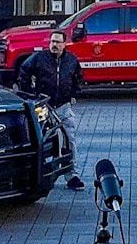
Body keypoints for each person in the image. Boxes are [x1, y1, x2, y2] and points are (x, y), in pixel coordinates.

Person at [16, 29, 88, 190]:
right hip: (44, 107)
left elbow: (78, 77)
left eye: (58, 42)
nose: (54, 45)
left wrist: (73, 94)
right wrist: (29, 95)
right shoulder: (40, 58)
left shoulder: (71, 60)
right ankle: (39, 175)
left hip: (63, 106)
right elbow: (24, 72)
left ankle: (72, 176)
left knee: (70, 139)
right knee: (41, 140)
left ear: (64, 44)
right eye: (52, 41)